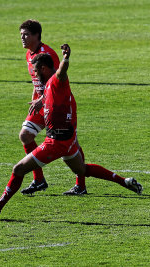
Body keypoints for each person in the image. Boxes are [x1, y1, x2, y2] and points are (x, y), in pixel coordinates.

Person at [0, 44, 143, 218]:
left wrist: (66, 58)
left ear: (43, 68)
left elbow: (62, 71)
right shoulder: (49, 85)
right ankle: (124, 181)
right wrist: (41, 100)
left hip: (56, 142)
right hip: (68, 140)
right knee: (82, 169)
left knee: (18, 169)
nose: (34, 74)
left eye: (36, 70)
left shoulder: (57, 79)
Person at [18, 20, 86, 196]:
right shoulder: (28, 55)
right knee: (25, 135)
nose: (23, 38)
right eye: (21, 35)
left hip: (58, 105)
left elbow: (55, 81)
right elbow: (38, 82)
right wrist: (35, 99)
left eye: (26, 34)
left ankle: (81, 185)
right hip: (41, 104)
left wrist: (42, 98)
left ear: (36, 35)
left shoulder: (48, 54)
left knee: (72, 144)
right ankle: (38, 180)